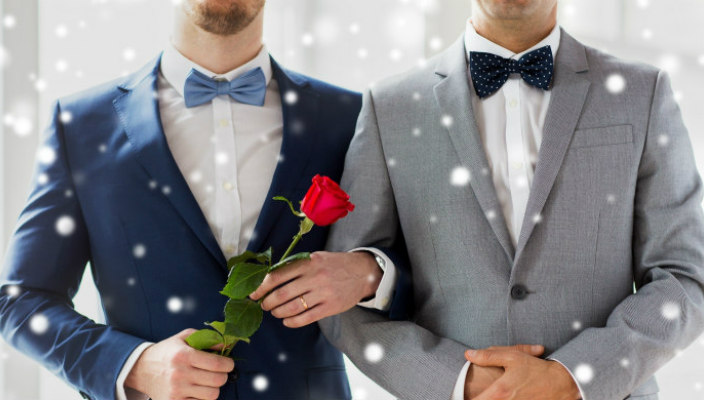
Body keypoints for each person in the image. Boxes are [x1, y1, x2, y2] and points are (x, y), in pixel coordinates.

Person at [0, 1, 405, 399]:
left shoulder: (350, 117)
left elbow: (431, 267)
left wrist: (370, 273)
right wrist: (134, 365)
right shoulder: (81, 126)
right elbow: (22, 301)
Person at [319, 0, 704, 399]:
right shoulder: (390, 107)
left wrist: (573, 377)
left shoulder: (642, 92)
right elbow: (343, 296)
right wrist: (458, 380)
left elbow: (685, 276)